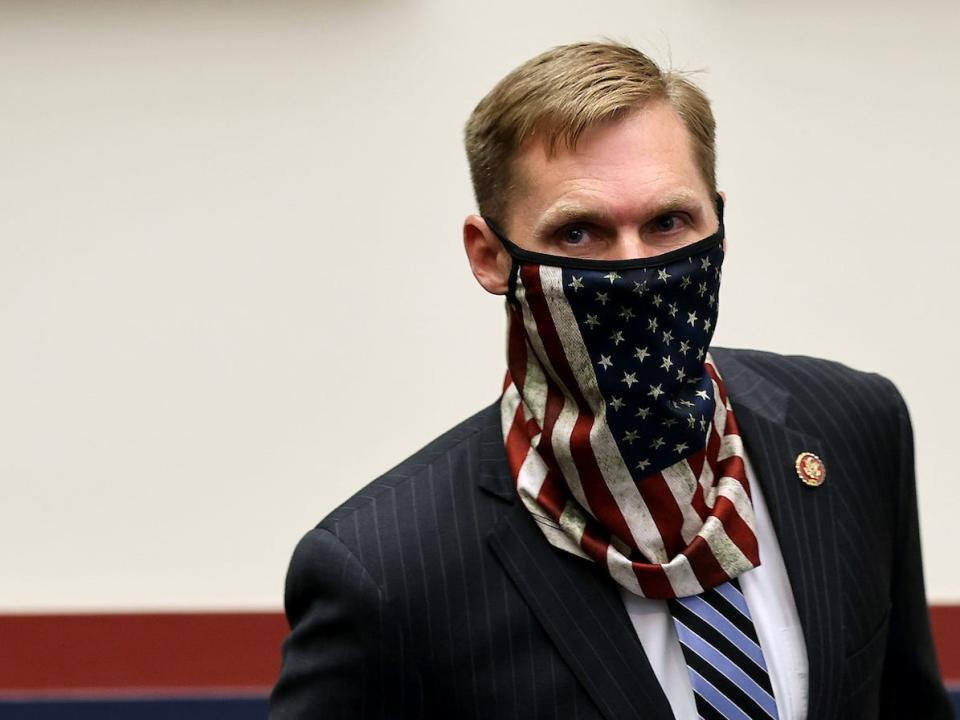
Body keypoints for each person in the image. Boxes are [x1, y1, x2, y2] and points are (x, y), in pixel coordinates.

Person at [269, 42, 951, 719]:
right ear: (490, 257)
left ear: (718, 222)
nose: (636, 270)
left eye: (668, 222)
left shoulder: (852, 429)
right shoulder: (385, 571)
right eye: (578, 234)